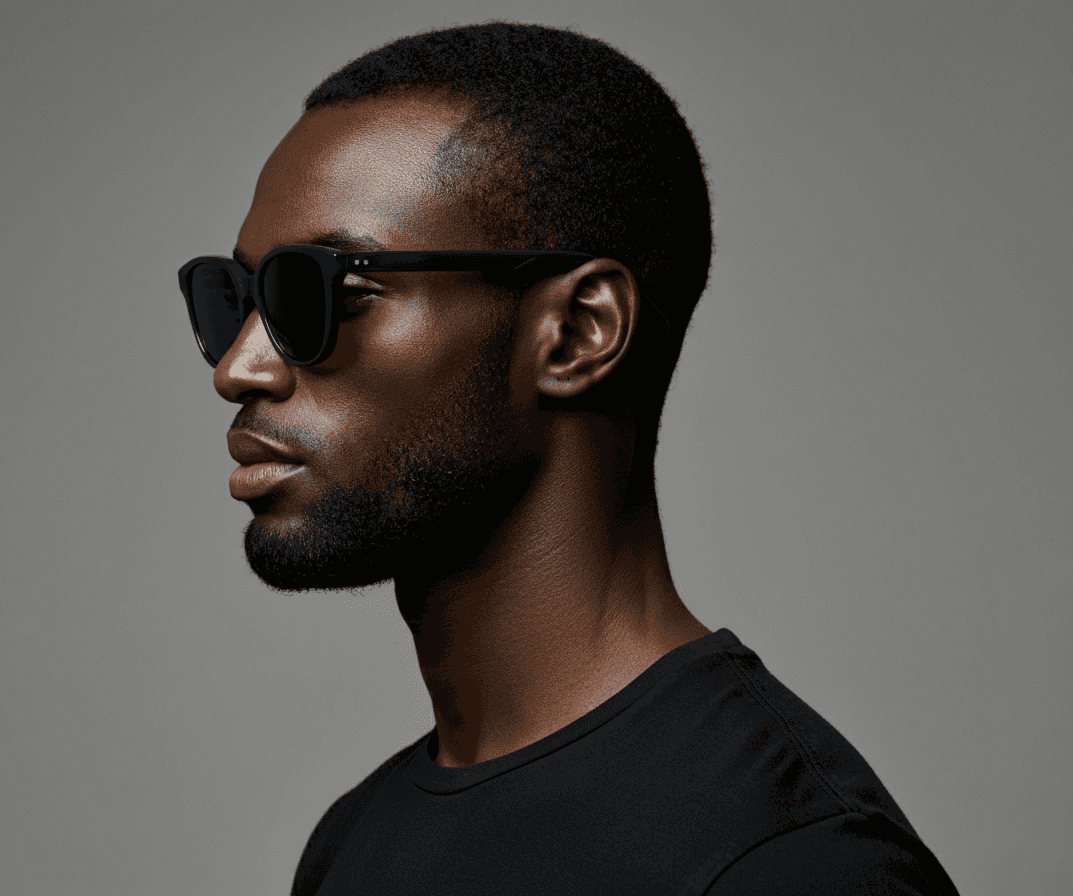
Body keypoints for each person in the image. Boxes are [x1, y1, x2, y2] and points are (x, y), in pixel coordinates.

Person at [178, 21, 960, 895]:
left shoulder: (793, 863)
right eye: (236, 298)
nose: (238, 367)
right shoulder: (352, 841)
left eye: (316, 291)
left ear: (578, 333)